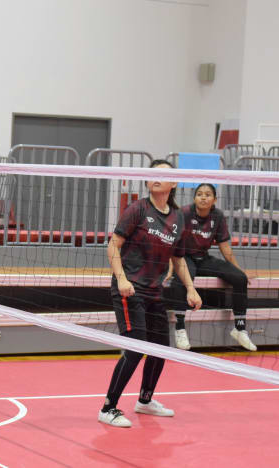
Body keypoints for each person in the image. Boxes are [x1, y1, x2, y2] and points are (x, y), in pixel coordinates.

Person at [98, 160, 202, 428]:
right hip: (129, 289)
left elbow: (178, 259)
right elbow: (114, 244)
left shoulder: (178, 218)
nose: (156, 178)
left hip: (155, 292)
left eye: (162, 174)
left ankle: (145, 400)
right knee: (135, 350)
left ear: (174, 183)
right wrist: (121, 279)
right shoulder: (138, 209)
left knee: (160, 350)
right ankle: (108, 407)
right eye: (152, 174)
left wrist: (190, 288)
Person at [168, 183, 257, 351]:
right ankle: (179, 327)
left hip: (204, 258)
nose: (203, 197)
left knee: (240, 278)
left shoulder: (217, 216)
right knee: (181, 279)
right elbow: (171, 242)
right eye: (199, 194)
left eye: (208, 194)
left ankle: (239, 328)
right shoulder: (184, 213)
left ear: (214, 199)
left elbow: (225, 247)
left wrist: (238, 270)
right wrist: (170, 266)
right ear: (194, 198)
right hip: (184, 256)